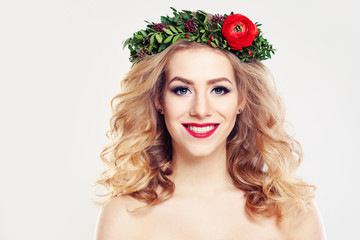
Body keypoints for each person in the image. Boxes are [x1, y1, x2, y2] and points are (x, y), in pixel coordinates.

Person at [94, 8, 325, 239]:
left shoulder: (292, 210)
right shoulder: (124, 215)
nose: (201, 110)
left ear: (241, 99)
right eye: (182, 90)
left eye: (219, 89)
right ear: (159, 100)